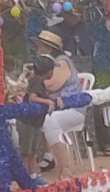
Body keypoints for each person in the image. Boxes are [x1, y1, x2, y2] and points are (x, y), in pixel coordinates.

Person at [49, 9, 110, 156]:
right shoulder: (58, 30)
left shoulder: (84, 28)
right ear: (65, 16)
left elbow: (88, 48)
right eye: (71, 15)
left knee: (93, 104)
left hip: (86, 68)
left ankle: (105, 143)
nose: (74, 17)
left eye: (76, 15)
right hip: (66, 73)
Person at [32, 30, 86, 180]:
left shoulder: (61, 61)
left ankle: (66, 167)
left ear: (49, 48)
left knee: (50, 120)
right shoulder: (46, 64)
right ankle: (33, 166)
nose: (37, 49)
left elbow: (52, 85)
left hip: (72, 109)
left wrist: (33, 83)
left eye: (40, 46)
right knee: (28, 118)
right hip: (55, 107)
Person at [18, 55, 62, 186]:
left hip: (35, 122)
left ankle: (32, 176)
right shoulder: (36, 82)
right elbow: (33, 98)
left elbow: (41, 94)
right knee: (25, 153)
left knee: (32, 151)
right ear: (48, 71)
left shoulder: (39, 82)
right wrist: (47, 101)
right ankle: (24, 178)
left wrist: (53, 97)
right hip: (27, 122)